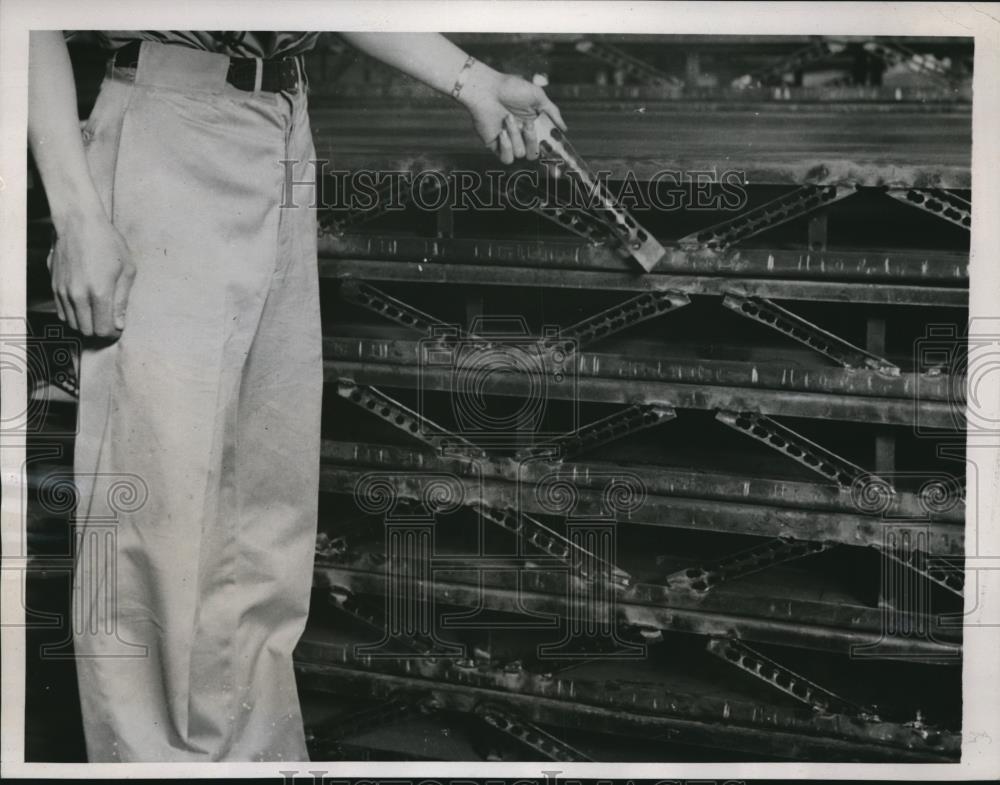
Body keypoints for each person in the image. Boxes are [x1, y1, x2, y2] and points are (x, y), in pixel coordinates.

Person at [27, 30, 567, 762]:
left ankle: (255, 760)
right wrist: (78, 213)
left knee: (263, 517)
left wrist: (470, 79)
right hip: (170, 120)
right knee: (154, 518)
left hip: (280, 121)